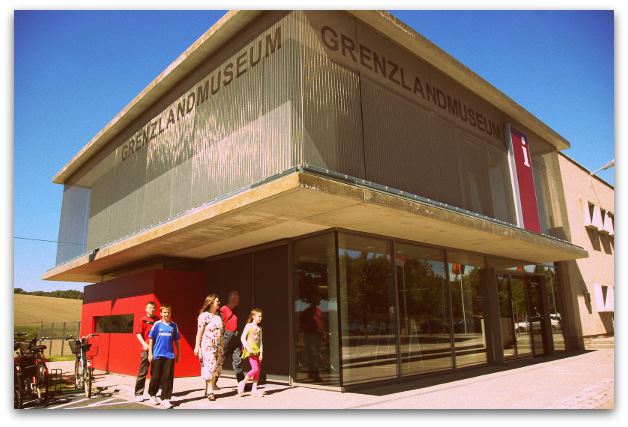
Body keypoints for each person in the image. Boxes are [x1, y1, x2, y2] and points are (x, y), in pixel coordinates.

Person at [147, 303, 180, 409]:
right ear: (161, 313)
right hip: (157, 355)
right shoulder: (157, 324)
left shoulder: (174, 325)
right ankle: (152, 395)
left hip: (169, 356)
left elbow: (177, 341)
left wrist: (178, 353)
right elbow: (151, 339)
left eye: (168, 312)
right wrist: (150, 353)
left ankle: (165, 398)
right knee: (155, 377)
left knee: (168, 378)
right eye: (165, 312)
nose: (167, 314)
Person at [194, 294, 224, 401]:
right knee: (210, 366)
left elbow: (221, 332)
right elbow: (199, 332)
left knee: (216, 368)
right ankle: (211, 390)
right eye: (217, 301)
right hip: (208, 345)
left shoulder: (219, 316)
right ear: (211, 302)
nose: (219, 303)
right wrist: (197, 347)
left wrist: (222, 345)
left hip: (218, 346)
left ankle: (207, 388)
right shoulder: (204, 316)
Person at [217, 290, 244, 387]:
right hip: (226, 336)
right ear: (232, 298)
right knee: (221, 360)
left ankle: (241, 384)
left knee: (237, 360)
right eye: (237, 298)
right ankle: (213, 382)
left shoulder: (236, 310)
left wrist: (236, 331)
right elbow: (219, 324)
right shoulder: (224, 309)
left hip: (234, 337)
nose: (239, 300)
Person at [134, 301, 158, 402]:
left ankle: (152, 393)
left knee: (155, 373)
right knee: (143, 372)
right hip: (146, 349)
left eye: (153, 308)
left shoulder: (158, 320)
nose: (152, 309)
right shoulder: (142, 320)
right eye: (150, 307)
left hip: (156, 350)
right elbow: (138, 333)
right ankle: (138, 393)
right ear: (146, 309)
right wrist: (144, 344)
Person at [237, 308, 264, 397]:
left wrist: (261, 353)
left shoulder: (260, 328)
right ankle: (243, 383)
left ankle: (254, 389)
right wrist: (248, 348)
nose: (260, 318)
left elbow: (260, 342)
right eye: (258, 316)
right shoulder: (248, 326)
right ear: (253, 316)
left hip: (257, 352)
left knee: (258, 370)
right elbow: (242, 338)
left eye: (261, 316)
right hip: (250, 351)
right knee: (255, 369)